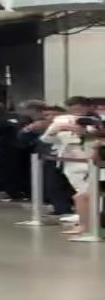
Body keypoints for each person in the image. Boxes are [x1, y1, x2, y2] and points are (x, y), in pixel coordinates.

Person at [40, 96, 97, 235]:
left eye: (80, 107)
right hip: (71, 159)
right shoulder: (61, 120)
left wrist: (84, 132)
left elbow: (97, 137)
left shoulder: (95, 121)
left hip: (93, 158)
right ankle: (85, 219)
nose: (77, 110)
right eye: (73, 107)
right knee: (81, 191)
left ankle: (88, 221)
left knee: (87, 192)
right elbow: (46, 139)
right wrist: (55, 130)